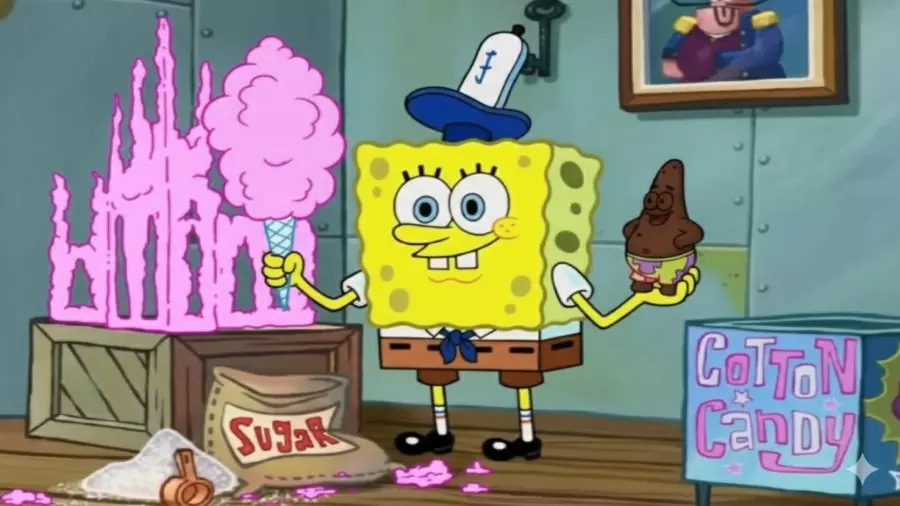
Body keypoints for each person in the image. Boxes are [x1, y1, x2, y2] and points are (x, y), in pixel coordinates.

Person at [661, 0, 785, 83]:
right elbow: (671, 58)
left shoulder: (759, 22)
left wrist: (721, 65)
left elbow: (763, 53)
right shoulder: (692, 28)